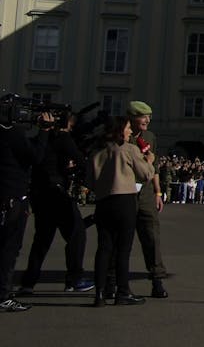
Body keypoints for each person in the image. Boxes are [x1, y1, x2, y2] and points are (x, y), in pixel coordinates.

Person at [17, 110, 94, 295]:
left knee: (42, 240)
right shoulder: (63, 139)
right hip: (56, 193)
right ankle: (75, 278)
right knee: (77, 234)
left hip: (40, 193)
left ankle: (28, 282)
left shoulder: (41, 138)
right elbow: (80, 161)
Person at [88, 115, 155, 306]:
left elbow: (90, 181)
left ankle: (99, 293)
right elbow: (145, 174)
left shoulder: (96, 151)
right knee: (123, 249)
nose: (131, 132)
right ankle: (122, 291)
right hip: (124, 199)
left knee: (104, 248)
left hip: (103, 201)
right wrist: (149, 160)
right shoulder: (128, 149)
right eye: (127, 128)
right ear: (119, 130)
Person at [1, 108, 51, 313]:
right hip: (12, 197)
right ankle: (3, 295)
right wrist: (44, 131)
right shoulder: (12, 133)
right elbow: (36, 156)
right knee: (8, 249)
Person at [127, 101, 170, 298]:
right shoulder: (121, 135)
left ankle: (157, 279)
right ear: (132, 117)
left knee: (151, 235)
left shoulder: (150, 136)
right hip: (124, 191)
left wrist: (158, 193)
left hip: (145, 193)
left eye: (149, 117)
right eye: (143, 116)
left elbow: (155, 169)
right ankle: (112, 280)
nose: (147, 120)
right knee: (121, 237)